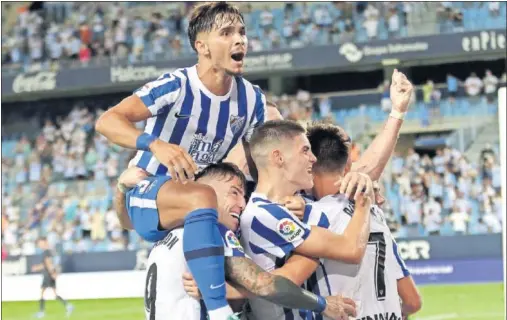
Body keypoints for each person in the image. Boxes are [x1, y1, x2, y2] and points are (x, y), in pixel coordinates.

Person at [95, 3, 280, 319]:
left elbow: (272, 150)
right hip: (149, 195)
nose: (240, 40)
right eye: (226, 33)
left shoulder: (252, 99)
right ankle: (221, 311)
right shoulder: (177, 86)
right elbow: (107, 121)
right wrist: (155, 144)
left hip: (200, 211)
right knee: (203, 196)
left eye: (242, 32)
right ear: (202, 46)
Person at [117, 164, 356, 320]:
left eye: (244, 196)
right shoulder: (211, 229)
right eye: (234, 192)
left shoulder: (166, 232)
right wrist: (323, 304)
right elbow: (264, 284)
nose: (242, 204)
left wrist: (121, 188)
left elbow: (127, 220)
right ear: (203, 190)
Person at [239, 120, 375, 320]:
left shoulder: (290, 209)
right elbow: (351, 249)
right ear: (278, 157)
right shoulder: (262, 215)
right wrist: (364, 202)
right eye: (305, 151)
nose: (313, 158)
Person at [297, 123, 422, 319]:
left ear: (309, 163)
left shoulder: (308, 215)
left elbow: (281, 285)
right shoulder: (374, 212)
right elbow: (413, 302)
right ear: (347, 165)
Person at [31, 237, 73, 318]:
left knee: (42, 293)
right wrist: (38, 268)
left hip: (48, 275)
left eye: (41, 243)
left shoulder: (46, 252)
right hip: (49, 274)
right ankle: (68, 305)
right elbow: (47, 264)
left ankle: (41, 312)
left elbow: (48, 263)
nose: (39, 245)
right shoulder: (49, 252)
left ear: (45, 242)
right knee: (54, 294)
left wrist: (52, 273)